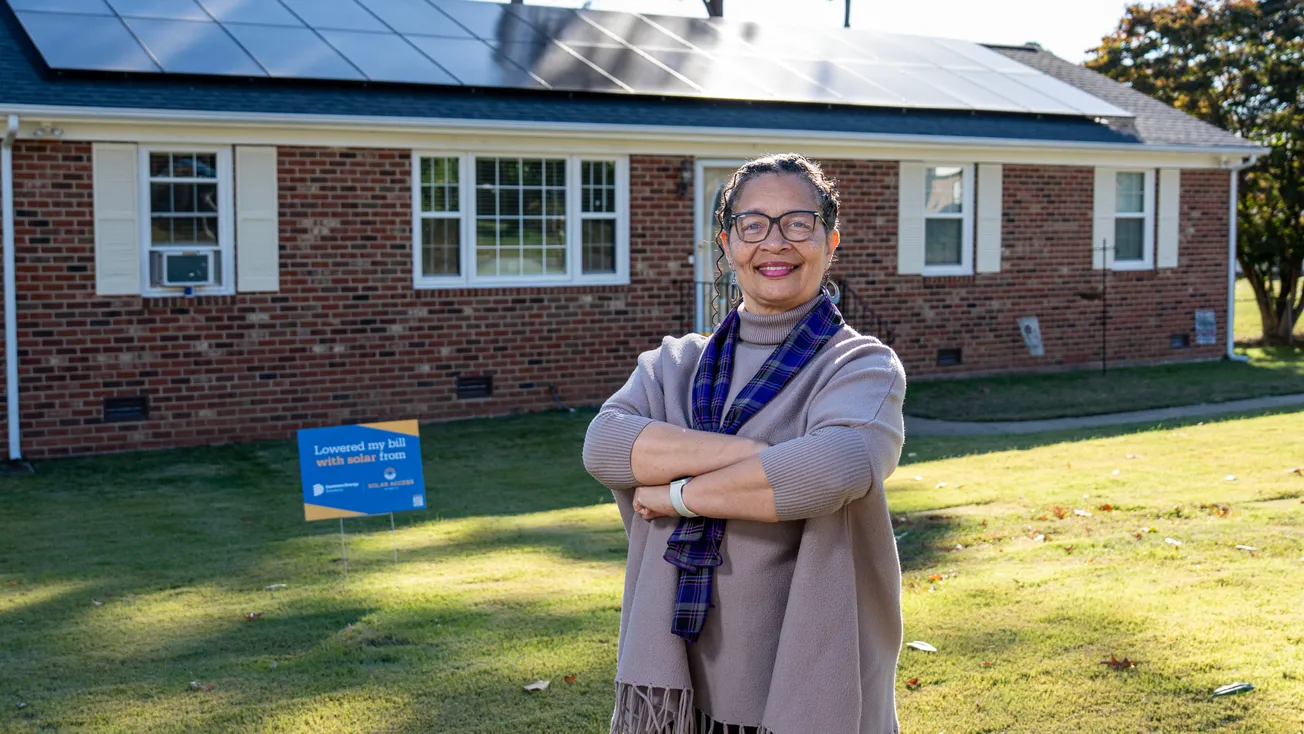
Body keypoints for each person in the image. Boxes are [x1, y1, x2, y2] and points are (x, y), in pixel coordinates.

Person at [583, 153, 908, 734]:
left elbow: (833, 469)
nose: (774, 243)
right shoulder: (673, 365)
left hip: (807, 678)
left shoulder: (859, 367)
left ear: (830, 240)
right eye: (753, 225)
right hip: (682, 686)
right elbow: (605, 445)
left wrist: (677, 496)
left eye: (797, 223)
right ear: (728, 245)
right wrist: (764, 456)